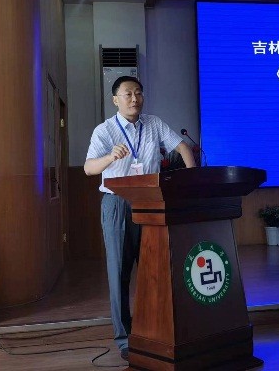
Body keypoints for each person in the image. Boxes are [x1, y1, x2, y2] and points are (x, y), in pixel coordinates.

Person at [84, 76, 195, 360]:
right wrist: (110, 157)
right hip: (118, 204)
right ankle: (124, 339)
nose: (135, 99)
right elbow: (88, 168)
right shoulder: (105, 130)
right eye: (128, 94)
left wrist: (192, 179)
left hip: (151, 203)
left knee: (154, 270)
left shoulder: (154, 123)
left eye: (139, 93)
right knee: (119, 273)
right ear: (115, 100)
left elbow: (182, 147)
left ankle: (155, 331)